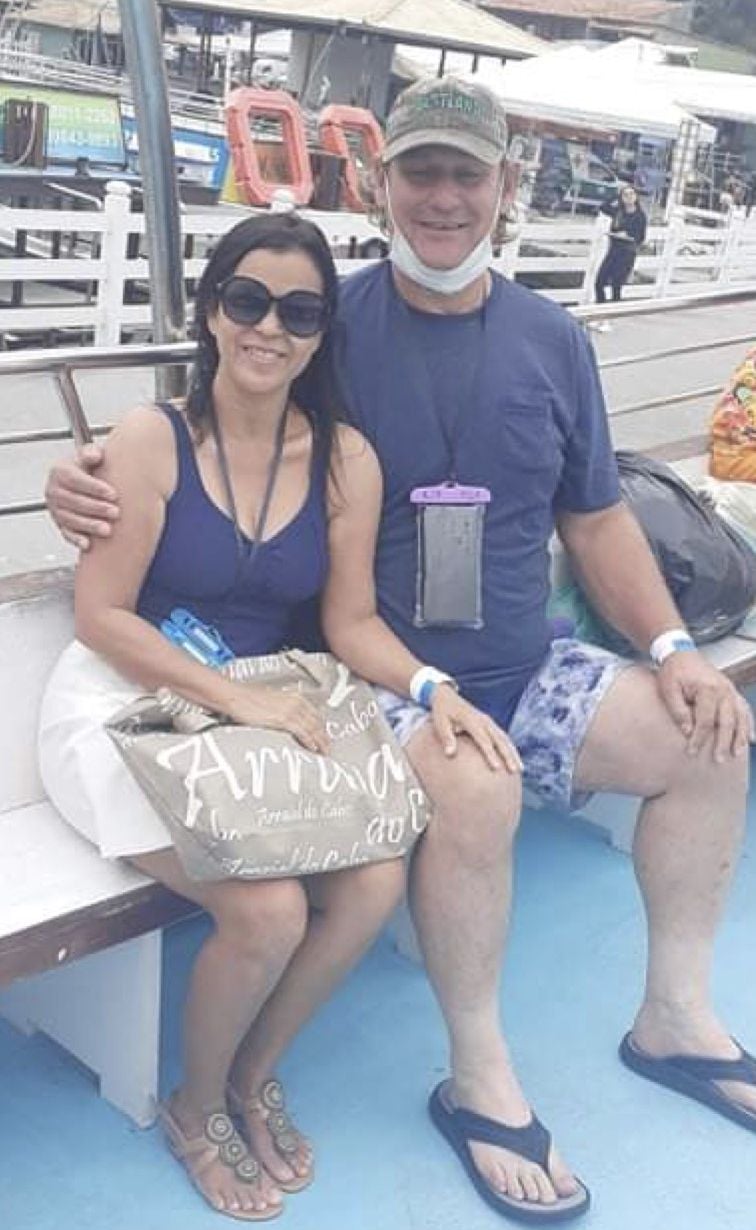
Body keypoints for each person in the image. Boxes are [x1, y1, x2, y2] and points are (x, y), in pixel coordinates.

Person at [46, 76, 756, 1224]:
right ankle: (481, 1078)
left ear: (505, 191)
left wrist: (672, 644)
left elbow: (597, 516)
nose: (440, 195)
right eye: (418, 170)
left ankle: (675, 1016)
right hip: (371, 675)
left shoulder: (555, 339)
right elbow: (215, 411)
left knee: (710, 735)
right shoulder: (330, 322)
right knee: (473, 796)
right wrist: (74, 476)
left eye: (465, 173)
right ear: (380, 186)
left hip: (527, 663)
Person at [38, 211, 517, 1222]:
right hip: (129, 706)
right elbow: (102, 616)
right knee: (266, 908)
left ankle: (251, 1071)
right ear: (212, 310)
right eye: (247, 300)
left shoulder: (345, 461)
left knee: (374, 878)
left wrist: (434, 689)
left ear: (319, 334)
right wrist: (240, 702)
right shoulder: (150, 439)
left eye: (298, 311)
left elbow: (349, 622)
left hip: (256, 715)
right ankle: (193, 1104)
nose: (269, 328)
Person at [594, 184, 648, 304]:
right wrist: (616, 195)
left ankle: (613, 312)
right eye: (625, 194)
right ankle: (600, 309)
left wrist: (628, 236)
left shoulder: (640, 216)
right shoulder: (618, 212)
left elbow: (641, 238)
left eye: (631, 194)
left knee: (616, 286)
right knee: (599, 282)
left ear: (636, 197)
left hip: (627, 253)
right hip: (613, 251)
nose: (629, 197)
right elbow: (603, 206)